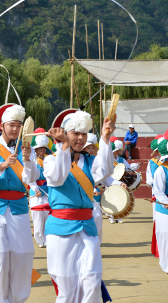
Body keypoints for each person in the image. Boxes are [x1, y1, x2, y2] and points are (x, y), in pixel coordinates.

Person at [43, 110, 115, 302]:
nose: (81, 138)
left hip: (87, 227)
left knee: (92, 280)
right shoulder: (51, 159)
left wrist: (106, 138)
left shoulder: (90, 161)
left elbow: (107, 169)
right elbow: (58, 177)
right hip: (61, 228)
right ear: (64, 133)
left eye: (84, 134)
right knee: (67, 286)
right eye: (76, 133)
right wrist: (64, 147)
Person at [0, 104, 38, 302]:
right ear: (2, 125)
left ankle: (18, 299)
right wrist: (2, 165)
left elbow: (30, 179)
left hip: (19, 207)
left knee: (23, 256)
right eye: (11, 125)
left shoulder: (27, 149)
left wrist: (27, 161)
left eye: (19, 126)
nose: (15, 130)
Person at [29, 133, 50, 248]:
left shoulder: (49, 160)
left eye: (43, 148)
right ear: (35, 149)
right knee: (37, 217)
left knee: (47, 216)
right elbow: (30, 177)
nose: (42, 150)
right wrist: (36, 189)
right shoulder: (32, 161)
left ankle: (47, 238)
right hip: (36, 192)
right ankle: (39, 239)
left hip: (47, 191)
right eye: (39, 148)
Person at [152, 137, 168, 274]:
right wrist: (166, 203)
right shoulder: (161, 170)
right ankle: (166, 266)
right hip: (164, 212)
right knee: (165, 238)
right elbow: (158, 191)